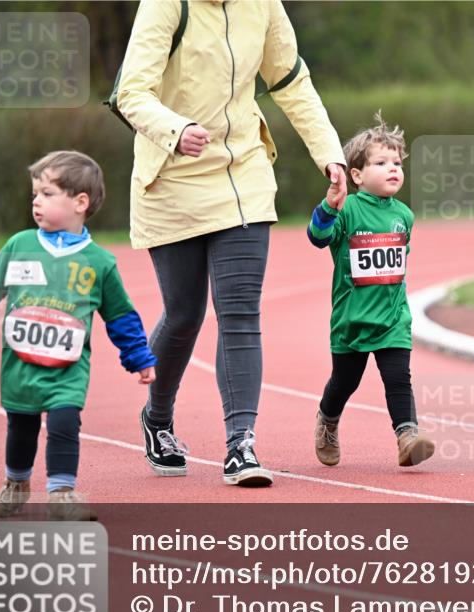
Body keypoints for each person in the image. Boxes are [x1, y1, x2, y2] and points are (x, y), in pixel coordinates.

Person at [116, 0, 347, 485]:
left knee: (240, 311)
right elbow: (131, 93)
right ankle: (157, 419)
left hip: (243, 172)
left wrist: (331, 154)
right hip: (172, 175)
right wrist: (175, 130)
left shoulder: (262, 4)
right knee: (184, 314)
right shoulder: (164, 4)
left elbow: (291, 81)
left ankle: (240, 445)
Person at [0, 151, 157, 519]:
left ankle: (62, 492)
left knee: (63, 423)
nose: (36, 202)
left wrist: (138, 357)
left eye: (46, 193)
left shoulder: (100, 262)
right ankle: (16, 484)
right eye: (34, 195)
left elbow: (120, 315)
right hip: (20, 364)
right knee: (22, 425)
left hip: (68, 369)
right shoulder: (20, 245)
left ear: (80, 202)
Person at [307, 114, 435, 468]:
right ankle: (327, 420)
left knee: (398, 378)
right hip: (352, 319)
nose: (393, 169)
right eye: (381, 163)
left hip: (393, 318)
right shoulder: (346, 209)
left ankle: (407, 436)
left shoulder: (404, 216)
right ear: (357, 175)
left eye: (397, 163)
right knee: (344, 382)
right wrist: (326, 208)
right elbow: (317, 239)